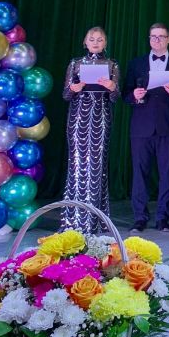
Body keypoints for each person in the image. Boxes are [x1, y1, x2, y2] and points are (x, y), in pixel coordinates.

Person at [123, 23, 169, 233]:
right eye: (153, 36)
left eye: (161, 36)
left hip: (168, 126)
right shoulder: (136, 63)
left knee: (167, 173)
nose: (157, 40)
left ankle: (163, 218)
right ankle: (140, 218)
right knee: (139, 174)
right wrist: (134, 96)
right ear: (149, 39)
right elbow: (125, 93)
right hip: (141, 127)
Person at [61, 27, 120, 234]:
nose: (95, 43)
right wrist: (74, 89)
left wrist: (112, 87)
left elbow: (115, 97)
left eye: (100, 39)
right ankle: (73, 219)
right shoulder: (75, 63)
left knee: (97, 165)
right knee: (77, 164)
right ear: (85, 42)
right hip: (78, 119)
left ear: (105, 43)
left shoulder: (112, 64)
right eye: (92, 39)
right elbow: (65, 95)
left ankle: (94, 219)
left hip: (101, 118)